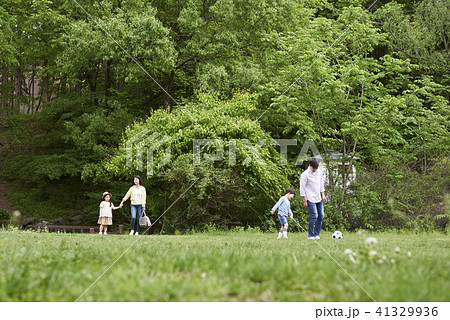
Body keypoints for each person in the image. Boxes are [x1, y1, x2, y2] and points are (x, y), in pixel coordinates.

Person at [300, 158, 327, 239]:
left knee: (321, 216)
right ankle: (310, 235)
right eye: (313, 168)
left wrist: (323, 195)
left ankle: (316, 234)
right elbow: (302, 188)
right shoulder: (304, 175)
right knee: (314, 216)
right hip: (310, 198)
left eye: (316, 168)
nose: (315, 170)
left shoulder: (319, 172)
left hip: (318, 197)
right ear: (310, 166)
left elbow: (321, 184)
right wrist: (304, 200)